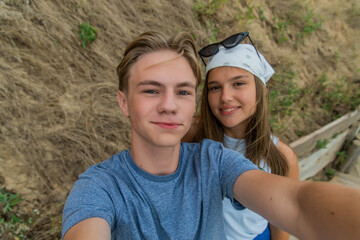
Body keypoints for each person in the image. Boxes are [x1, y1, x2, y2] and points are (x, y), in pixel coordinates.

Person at [62, 31, 360, 240]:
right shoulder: (100, 187)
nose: (169, 106)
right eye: (151, 90)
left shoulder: (214, 159)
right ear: (123, 101)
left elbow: (296, 204)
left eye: (182, 92)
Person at [190, 32, 299, 240]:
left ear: (261, 91)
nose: (225, 97)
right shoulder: (193, 135)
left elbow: (280, 223)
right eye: (215, 87)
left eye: (238, 83)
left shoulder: (282, 157)